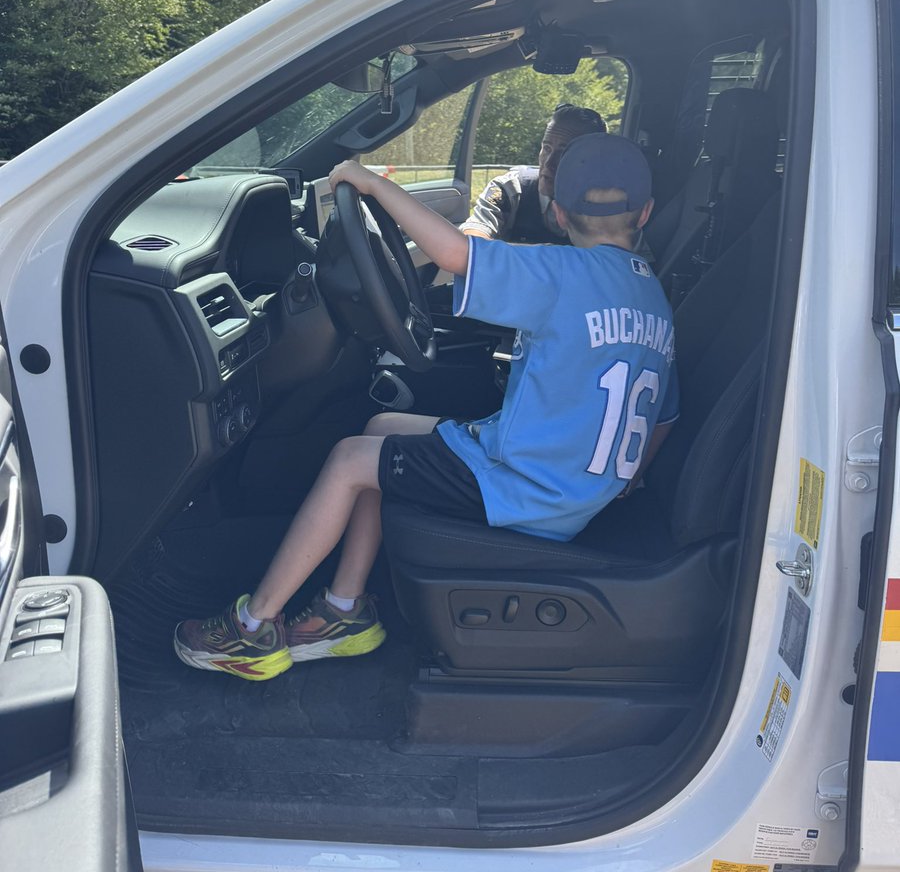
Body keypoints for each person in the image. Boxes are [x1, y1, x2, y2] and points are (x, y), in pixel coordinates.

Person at [173, 133, 679, 681]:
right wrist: (629, 479)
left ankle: (252, 628)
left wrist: (371, 183)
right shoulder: (653, 297)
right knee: (382, 426)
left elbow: (455, 254)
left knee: (349, 460)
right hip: (571, 482)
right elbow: (665, 415)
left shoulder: (561, 273)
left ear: (557, 213)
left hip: (526, 487)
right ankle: (344, 609)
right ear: (646, 212)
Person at [462, 102, 607, 244]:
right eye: (546, 148)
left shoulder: (609, 205)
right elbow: (472, 243)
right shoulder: (510, 189)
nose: (549, 163)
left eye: (564, 153)